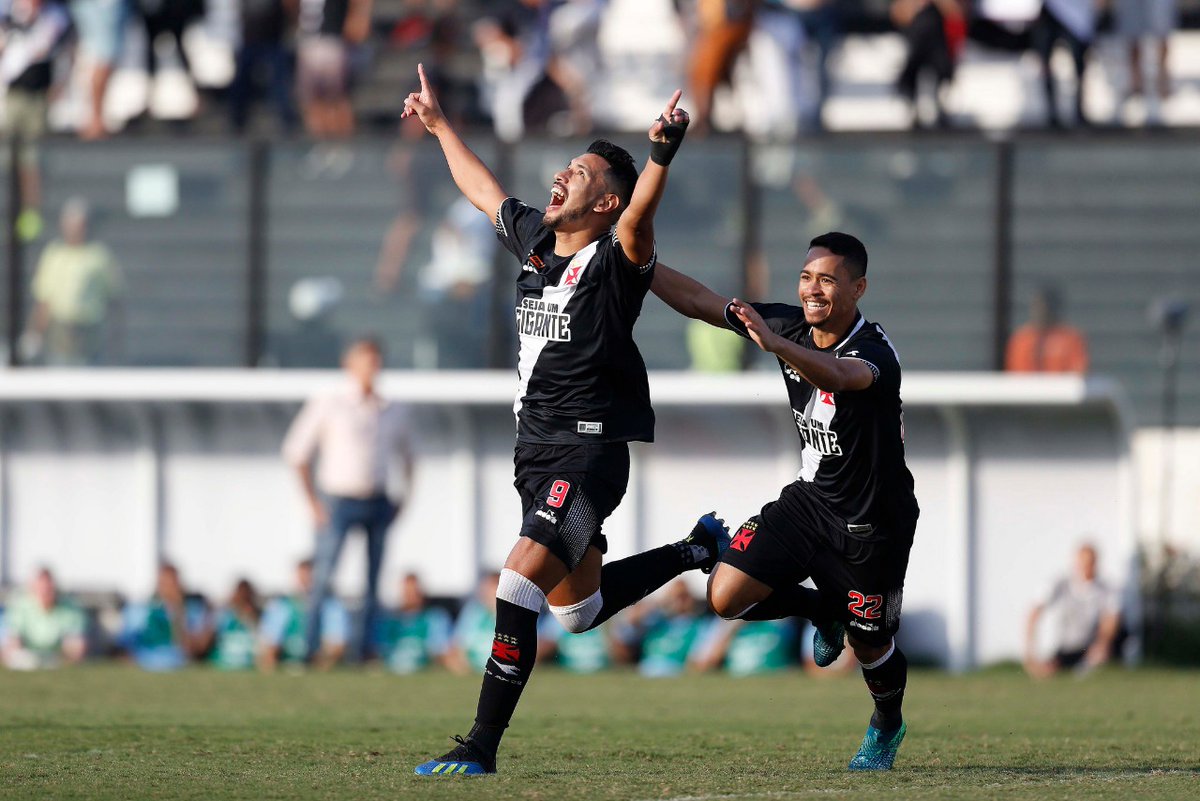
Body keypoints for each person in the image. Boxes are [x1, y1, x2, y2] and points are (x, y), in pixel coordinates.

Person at [401, 64, 729, 776]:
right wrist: (439, 125)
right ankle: (696, 550)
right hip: (533, 455)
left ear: (606, 201)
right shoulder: (537, 243)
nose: (561, 175)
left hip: (587, 455)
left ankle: (480, 747)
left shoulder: (617, 262)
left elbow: (640, 218)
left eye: (578, 172)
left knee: (514, 586)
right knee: (576, 613)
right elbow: (483, 188)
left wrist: (663, 154)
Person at [651, 232, 920, 771]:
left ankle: (886, 724)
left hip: (872, 525)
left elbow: (842, 377)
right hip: (807, 504)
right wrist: (635, 261)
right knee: (724, 596)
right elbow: (703, 302)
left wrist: (778, 347)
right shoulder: (786, 325)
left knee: (872, 649)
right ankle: (823, 609)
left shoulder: (873, 351)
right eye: (805, 277)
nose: (812, 289)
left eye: (827, 279)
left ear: (858, 288)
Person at [282, 336, 415, 663]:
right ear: (350, 365)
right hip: (337, 499)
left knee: (373, 581)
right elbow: (296, 453)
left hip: (378, 499)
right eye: (365, 360)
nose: (372, 368)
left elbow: (410, 459)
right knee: (323, 577)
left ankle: (364, 650)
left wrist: (403, 500)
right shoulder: (329, 402)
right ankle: (309, 648)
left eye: (375, 361)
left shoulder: (391, 409)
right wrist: (312, 503)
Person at [0, 0, 72, 241]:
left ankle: (31, 213)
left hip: (37, 98)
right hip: (12, 96)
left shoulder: (54, 18)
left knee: (31, 158)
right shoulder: (10, 13)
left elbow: (59, 49)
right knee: (7, 156)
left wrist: (61, 85)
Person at [23, 197, 124, 365]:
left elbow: (114, 299)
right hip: (60, 334)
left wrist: (116, 341)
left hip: (90, 334)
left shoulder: (99, 256)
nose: (74, 229)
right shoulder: (54, 255)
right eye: (70, 224)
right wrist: (35, 334)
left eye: (79, 224)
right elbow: (43, 300)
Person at [1024, 543, 1121, 678]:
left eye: (1090, 562)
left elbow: (1111, 619)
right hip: (1067, 647)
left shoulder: (1106, 588)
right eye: (1083, 562)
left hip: (1091, 647)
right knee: (1051, 671)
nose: (1086, 567)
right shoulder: (1060, 584)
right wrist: (1030, 653)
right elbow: (1034, 612)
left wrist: (1103, 644)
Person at [258, 558, 349, 671]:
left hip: (317, 661)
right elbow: (269, 641)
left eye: (309, 575)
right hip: (286, 659)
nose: (306, 579)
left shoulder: (331, 605)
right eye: (302, 575)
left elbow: (337, 645)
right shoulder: (282, 605)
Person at [120, 562, 213, 671]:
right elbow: (126, 646)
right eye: (164, 583)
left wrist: (178, 611)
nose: (168, 588)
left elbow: (195, 649)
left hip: (177, 662)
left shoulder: (193, 610)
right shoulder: (141, 610)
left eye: (172, 583)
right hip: (146, 661)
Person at [1, 567, 86, 670]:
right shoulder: (20, 606)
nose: (45, 592)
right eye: (42, 588)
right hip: (26, 657)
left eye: (49, 588)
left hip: (57, 658)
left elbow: (76, 645)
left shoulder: (70, 608)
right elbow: (12, 640)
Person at [70, 0, 130, 139]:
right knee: (102, 61)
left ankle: (93, 118)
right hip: (102, 6)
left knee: (98, 60)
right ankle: (94, 119)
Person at [375, 574, 455, 674]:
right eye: (407, 592)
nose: (410, 596)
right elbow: (378, 653)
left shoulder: (434, 618)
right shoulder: (389, 621)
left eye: (414, 592)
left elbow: (443, 651)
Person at [1004, 284, 1088, 373]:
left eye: (1044, 307)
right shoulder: (1022, 339)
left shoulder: (1071, 338)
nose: (1040, 311)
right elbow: (1015, 373)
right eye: (1037, 306)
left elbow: (1077, 371)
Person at [208, 579, 262, 671]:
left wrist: (250, 618)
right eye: (241, 596)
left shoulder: (258, 618)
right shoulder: (225, 616)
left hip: (247, 664)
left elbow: (261, 641)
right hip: (225, 663)